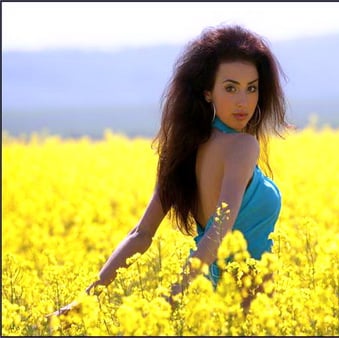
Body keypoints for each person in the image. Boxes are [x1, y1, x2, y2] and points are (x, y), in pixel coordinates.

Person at [49, 24, 288, 316]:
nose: (243, 101)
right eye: (230, 88)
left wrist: (85, 301)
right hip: (249, 310)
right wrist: (168, 301)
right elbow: (219, 231)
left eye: (251, 88)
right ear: (207, 92)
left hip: (206, 305)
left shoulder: (182, 150)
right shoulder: (243, 146)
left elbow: (140, 234)